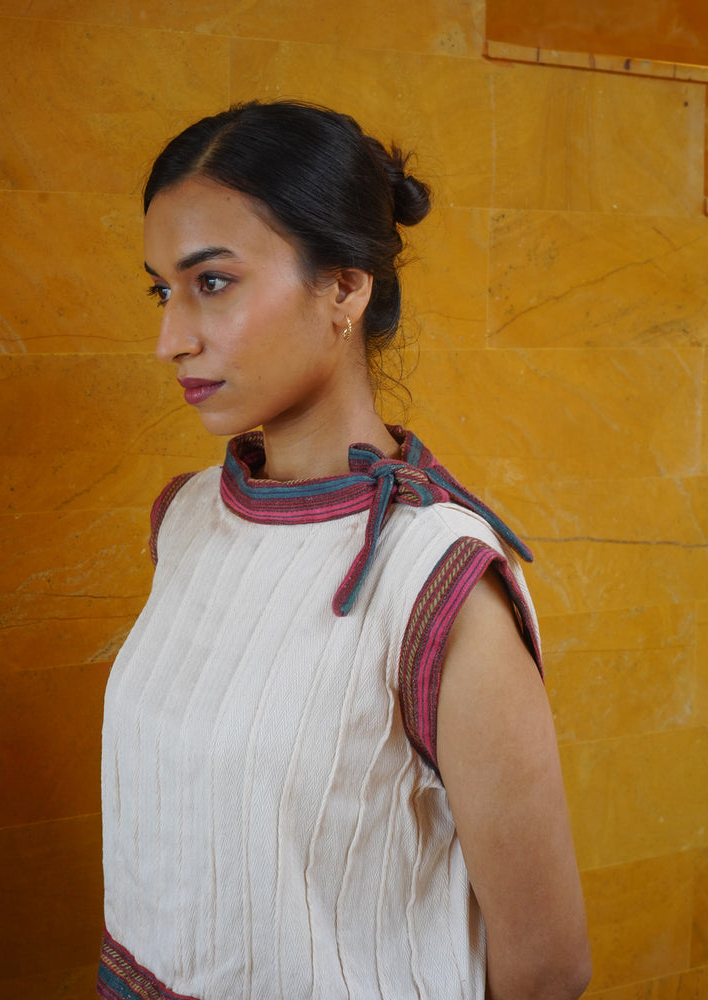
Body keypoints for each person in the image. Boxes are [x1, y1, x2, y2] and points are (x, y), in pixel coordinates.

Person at [98, 100, 591, 1000]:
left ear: (345, 288)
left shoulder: (440, 585)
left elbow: (549, 969)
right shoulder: (188, 518)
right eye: (162, 290)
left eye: (213, 282)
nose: (171, 339)